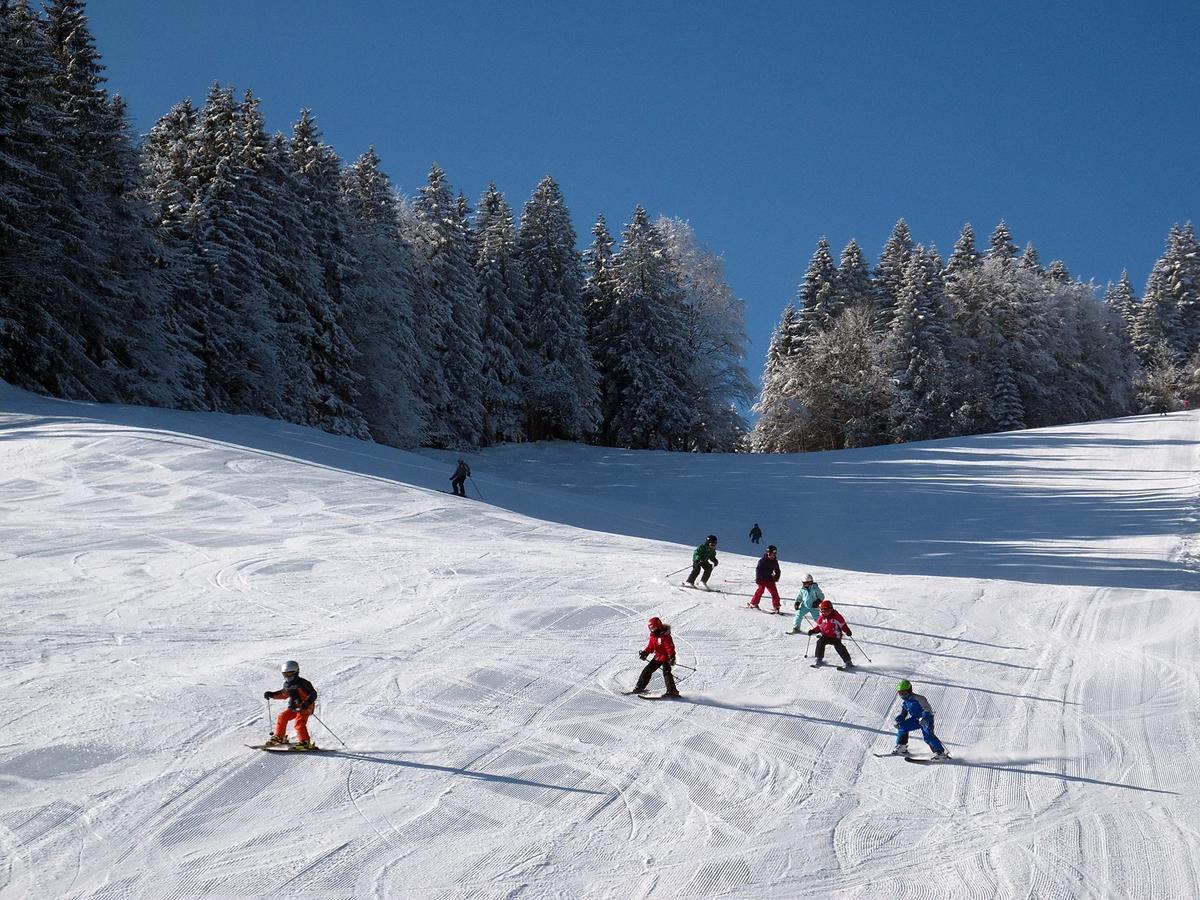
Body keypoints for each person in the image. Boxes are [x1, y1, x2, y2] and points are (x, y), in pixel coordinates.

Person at [263, 660, 319, 750]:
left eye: (290, 674)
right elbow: (284, 694)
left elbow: (313, 694)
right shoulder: (287, 684)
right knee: (282, 716)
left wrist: (307, 702)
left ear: (296, 672)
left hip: (306, 707)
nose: (288, 677)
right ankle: (280, 737)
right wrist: (272, 694)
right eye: (285, 674)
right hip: (294, 707)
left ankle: (305, 743)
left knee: (299, 723)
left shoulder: (303, 683)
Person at [889, 680, 949, 759]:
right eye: (900, 693)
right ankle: (902, 747)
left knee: (928, 736)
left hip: (926, 720)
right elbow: (903, 714)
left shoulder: (919, 698)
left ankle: (940, 753)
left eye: (904, 693)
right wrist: (898, 720)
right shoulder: (905, 702)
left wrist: (924, 717)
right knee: (902, 726)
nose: (902, 695)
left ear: (909, 690)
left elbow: (927, 709)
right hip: (915, 720)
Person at [631, 616, 680, 698]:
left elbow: (670, 647)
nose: (652, 629)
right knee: (647, 670)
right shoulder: (653, 636)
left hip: (666, 657)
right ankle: (639, 687)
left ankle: (672, 691)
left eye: (653, 627)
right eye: (650, 628)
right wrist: (645, 653)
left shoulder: (665, 636)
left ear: (658, 626)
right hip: (658, 656)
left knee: (666, 673)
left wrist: (672, 657)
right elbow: (650, 647)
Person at [807, 600, 854, 668]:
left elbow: (843, 625)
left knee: (838, 646)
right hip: (826, 636)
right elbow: (819, 627)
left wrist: (847, 631)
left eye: (828, 611)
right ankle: (819, 659)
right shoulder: (821, 618)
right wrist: (812, 631)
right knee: (820, 642)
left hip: (835, 636)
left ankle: (848, 662)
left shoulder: (837, 617)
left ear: (831, 610)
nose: (826, 613)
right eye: (823, 611)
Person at [748, 545, 782, 612]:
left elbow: (777, 570)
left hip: (770, 579)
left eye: (773, 554)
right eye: (770, 554)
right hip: (762, 579)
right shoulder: (762, 561)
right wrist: (758, 578)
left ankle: (776, 606)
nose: (771, 556)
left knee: (774, 592)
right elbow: (758, 570)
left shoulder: (775, 561)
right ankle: (754, 603)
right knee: (760, 590)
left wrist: (776, 577)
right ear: (767, 553)